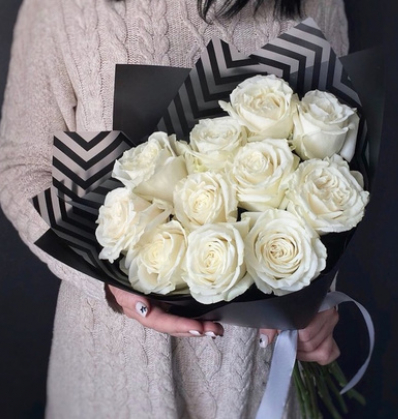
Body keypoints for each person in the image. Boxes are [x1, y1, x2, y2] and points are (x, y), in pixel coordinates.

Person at [0, 0, 348, 417]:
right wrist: (105, 280)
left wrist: (316, 296)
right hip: (112, 368)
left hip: (261, 372)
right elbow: (23, 167)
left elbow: (338, 160)